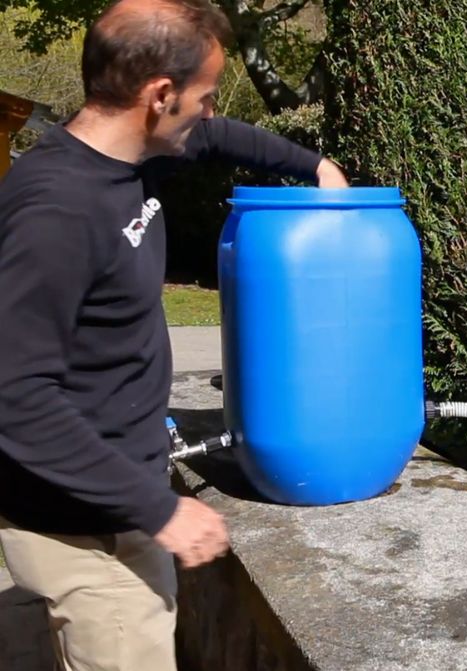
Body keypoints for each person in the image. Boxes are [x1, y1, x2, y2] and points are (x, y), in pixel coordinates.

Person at [0, 0, 349, 668]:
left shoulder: (137, 160)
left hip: (114, 495)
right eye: (206, 96)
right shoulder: (57, 212)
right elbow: (15, 392)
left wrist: (314, 166)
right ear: (160, 96)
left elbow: (218, 140)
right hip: (81, 520)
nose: (213, 111)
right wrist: (157, 509)